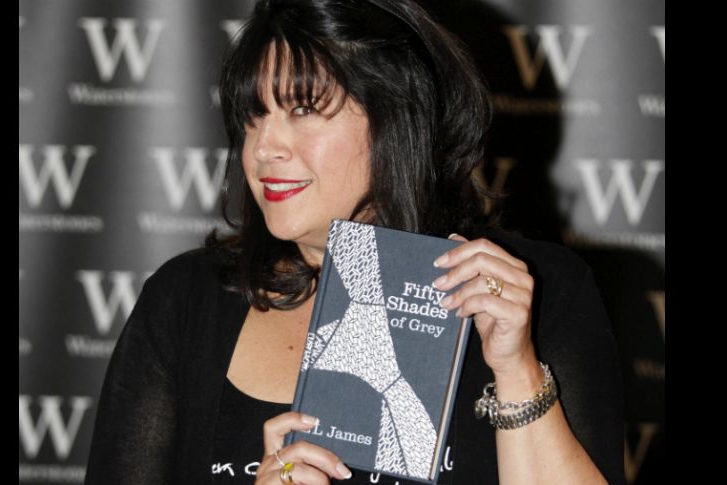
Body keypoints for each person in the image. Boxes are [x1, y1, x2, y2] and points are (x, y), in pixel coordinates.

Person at [84, 1, 625, 484]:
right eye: (254, 116)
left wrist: (516, 370)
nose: (264, 148)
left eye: (303, 110)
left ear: (396, 118)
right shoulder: (186, 298)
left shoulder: (531, 290)